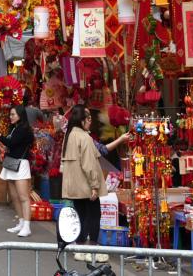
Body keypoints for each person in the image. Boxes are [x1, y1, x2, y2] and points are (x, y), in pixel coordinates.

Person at [61, 105, 106, 264]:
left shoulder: (69, 136)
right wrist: (94, 186)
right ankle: (91, 249)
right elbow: (89, 165)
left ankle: (79, 247)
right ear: (81, 120)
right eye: (88, 118)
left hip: (74, 185)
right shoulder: (84, 137)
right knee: (94, 216)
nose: (90, 121)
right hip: (86, 185)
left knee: (80, 215)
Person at [0, 105, 35, 237]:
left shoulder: (24, 129)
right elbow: (10, 143)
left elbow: (10, 143)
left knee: (23, 197)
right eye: (10, 114)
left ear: (20, 115)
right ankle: (21, 222)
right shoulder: (15, 128)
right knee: (14, 196)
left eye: (13, 114)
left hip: (21, 164)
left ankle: (27, 226)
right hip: (11, 163)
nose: (11, 117)